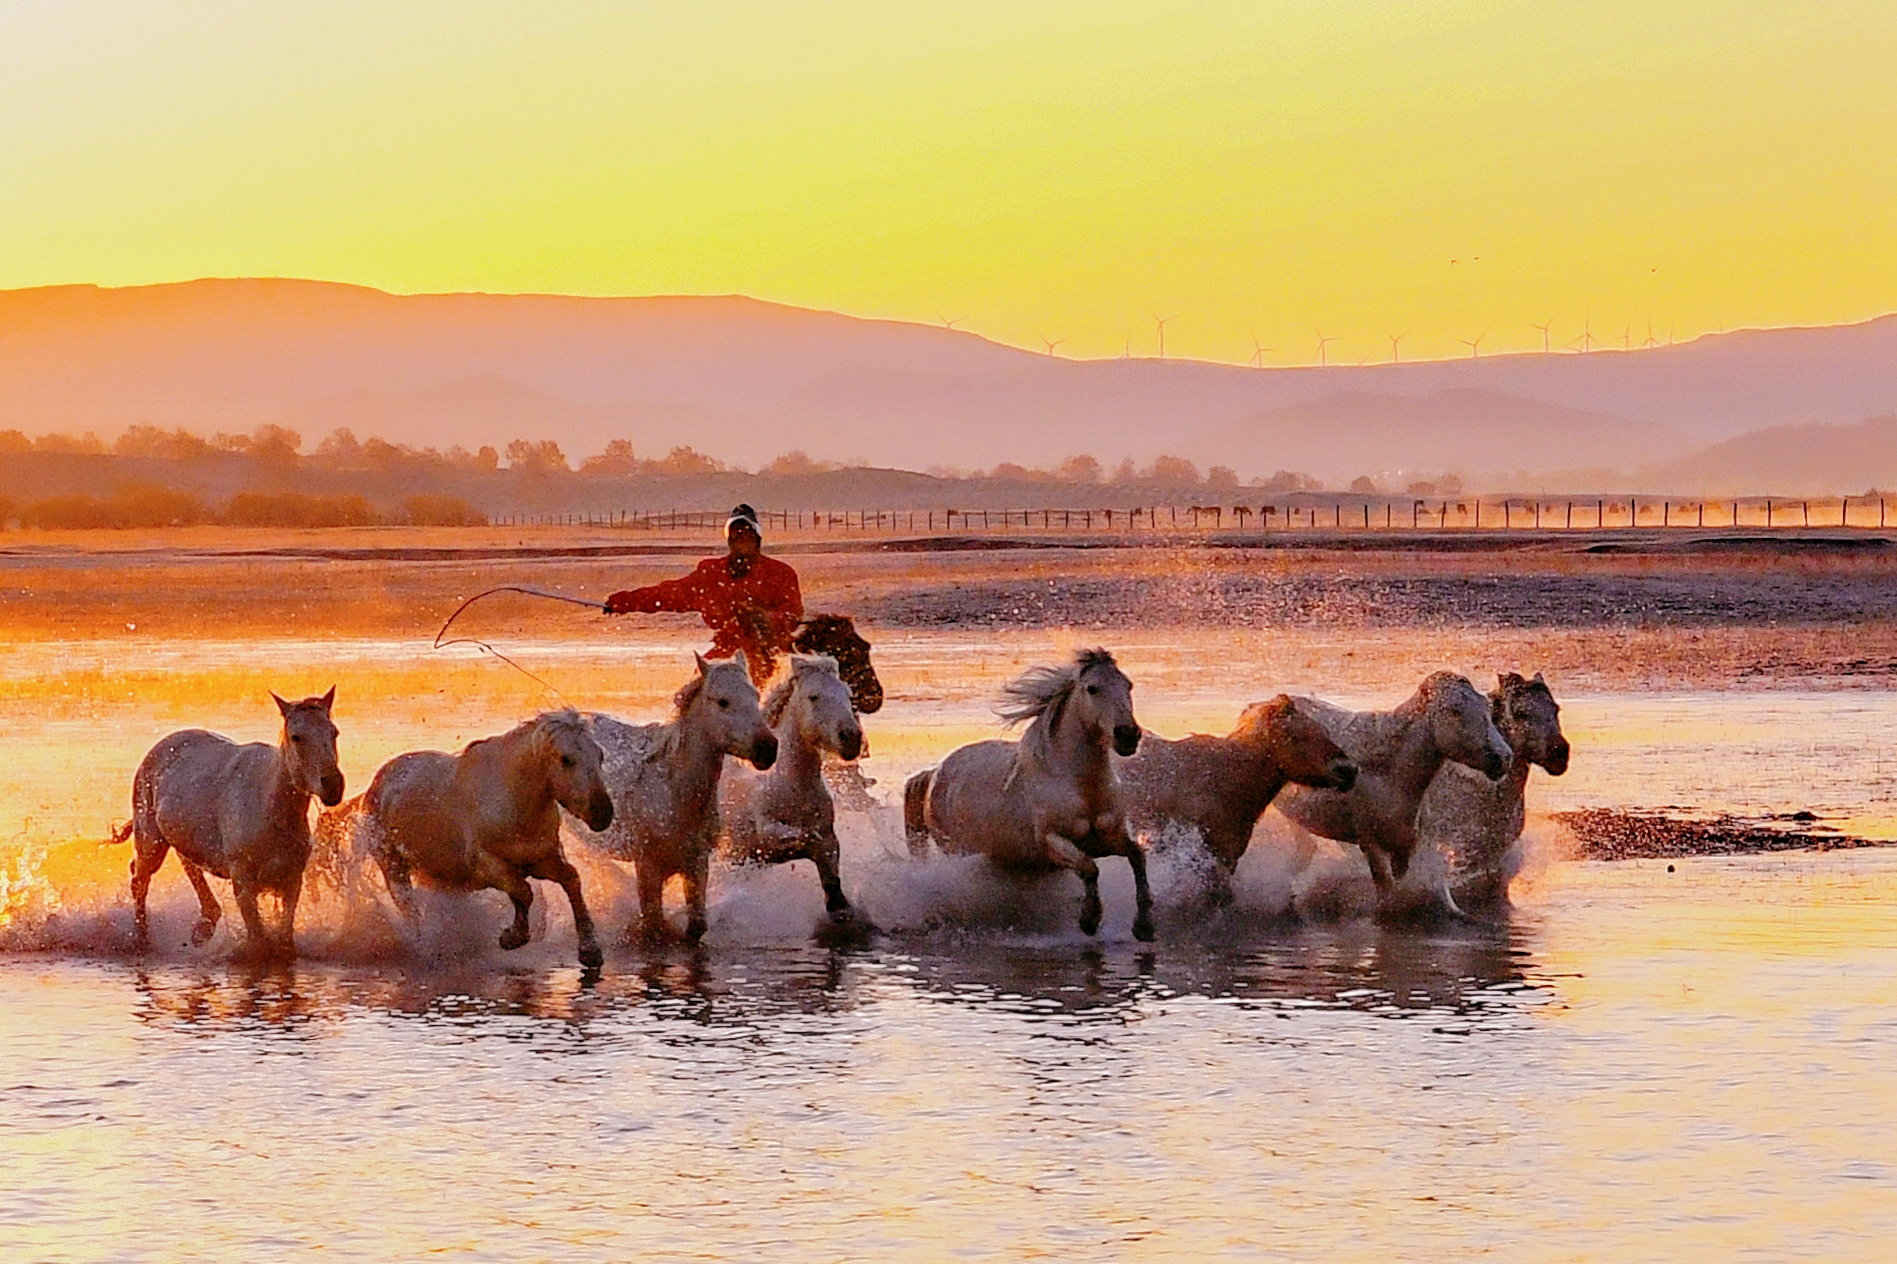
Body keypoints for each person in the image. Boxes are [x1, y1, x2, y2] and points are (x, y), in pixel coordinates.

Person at [605, 504, 803, 684]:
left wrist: (758, 622)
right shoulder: (710, 574)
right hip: (725, 655)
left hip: (770, 656)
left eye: (748, 534)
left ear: (757, 539)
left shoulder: (780, 574)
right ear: (729, 539)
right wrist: (625, 602)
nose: (743, 538)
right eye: (737, 533)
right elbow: (668, 594)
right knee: (694, 692)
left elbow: (792, 613)